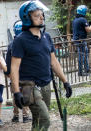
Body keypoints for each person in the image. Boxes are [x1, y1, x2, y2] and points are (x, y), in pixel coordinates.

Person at [10, 1, 72, 131]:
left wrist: (65, 82)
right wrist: (16, 92)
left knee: (39, 119)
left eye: (41, 14)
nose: (42, 17)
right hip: (30, 86)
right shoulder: (20, 40)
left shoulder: (47, 37)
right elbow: (14, 68)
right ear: (27, 18)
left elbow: (54, 62)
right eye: (37, 15)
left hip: (46, 84)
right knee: (45, 119)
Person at [5, 20, 32, 123]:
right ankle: (25, 116)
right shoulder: (26, 43)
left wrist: (7, 73)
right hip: (24, 73)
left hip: (13, 74)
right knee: (25, 94)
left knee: (16, 94)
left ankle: (15, 116)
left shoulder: (11, 44)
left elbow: (8, 60)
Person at [72, 5, 91, 76]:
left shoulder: (75, 20)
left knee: (84, 55)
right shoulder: (83, 19)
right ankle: (81, 72)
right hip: (81, 41)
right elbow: (88, 30)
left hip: (78, 40)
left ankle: (87, 69)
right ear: (83, 12)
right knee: (82, 56)